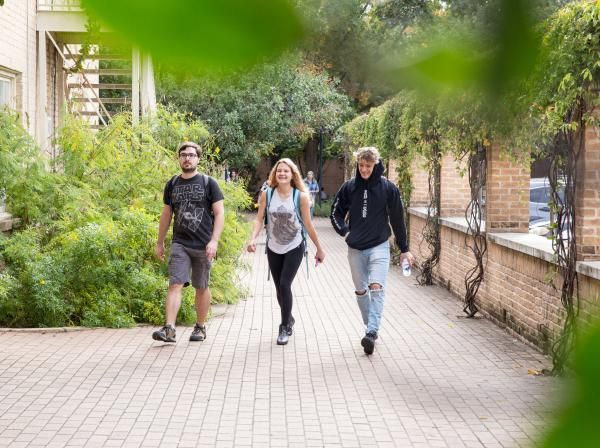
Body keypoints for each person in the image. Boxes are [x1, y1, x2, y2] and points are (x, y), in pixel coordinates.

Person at [330, 146, 414, 355]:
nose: (364, 169)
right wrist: (345, 232)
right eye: (361, 165)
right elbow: (335, 212)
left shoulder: (388, 188)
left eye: (368, 166)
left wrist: (404, 249)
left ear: (375, 165)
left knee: (376, 287)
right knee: (361, 290)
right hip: (355, 248)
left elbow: (397, 219)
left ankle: (372, 333)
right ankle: (371, 328)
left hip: (379, 246)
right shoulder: (349, 187)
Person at [152, 141, 225, 343]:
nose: (187, 158)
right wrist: (160, 242)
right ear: (179, 158)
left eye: (191, 155)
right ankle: (169, 329)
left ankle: (200, 327)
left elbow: (219, 214)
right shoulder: (172, 184)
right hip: (180, 243)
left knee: (201, 286)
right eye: (183, 154)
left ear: (198, 158)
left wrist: (214, 241)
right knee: (175, 283)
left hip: (203, 244)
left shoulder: (208, 183)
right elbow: (166, 215)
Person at [247, 159, 325, 345]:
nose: (282, 174)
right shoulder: (267, 194)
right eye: (279, 171)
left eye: (286, 171)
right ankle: (288, 317)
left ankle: (284, 327)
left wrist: (319, 249)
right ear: (275, 174)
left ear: (292, 175)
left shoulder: (301, 196)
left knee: (284, 284)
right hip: (273, 246)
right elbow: (259, 220)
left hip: (294, 246)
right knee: (279, 290)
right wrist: (252, 239)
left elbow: (308, 224)